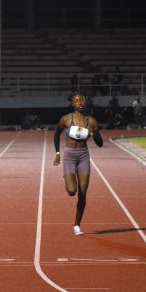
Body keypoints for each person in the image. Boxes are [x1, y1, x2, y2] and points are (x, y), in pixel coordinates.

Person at [53, 92, 103, 236]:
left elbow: (100, 144)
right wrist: (57, 153)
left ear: (85, 102)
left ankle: (77, 225)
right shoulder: (67, 119)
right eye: (76, 100)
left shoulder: (91, 121)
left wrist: (95, 134)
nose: (79, 102)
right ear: (73, 103)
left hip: (83, 156)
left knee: (82, 193)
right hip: (69, 156)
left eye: (81, 100)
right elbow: (56, 135)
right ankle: (67, 179)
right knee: (71, 191)